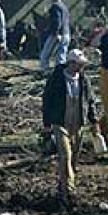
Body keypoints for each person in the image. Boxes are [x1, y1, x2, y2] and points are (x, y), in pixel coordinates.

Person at [42, 49, 100, 205]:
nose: (82, 67)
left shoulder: (83, 80)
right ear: (71, 63)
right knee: (65, 156)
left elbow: (90, 101)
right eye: (79, 64)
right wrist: (47, 125)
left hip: (78, 124)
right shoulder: (57, 79)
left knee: (74, 158)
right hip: (60, 123)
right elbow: (47, 102)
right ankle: (70, 190)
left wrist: (94, 122)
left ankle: (63, 185)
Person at [39, 0, 71, 73]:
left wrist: (56, 33)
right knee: (61, 55)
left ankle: (44, 71)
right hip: (67, 33)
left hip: (57, 34)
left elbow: (57, 21)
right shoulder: (65, 7)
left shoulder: (55, 7)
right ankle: (60, 72)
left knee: (45, 54)